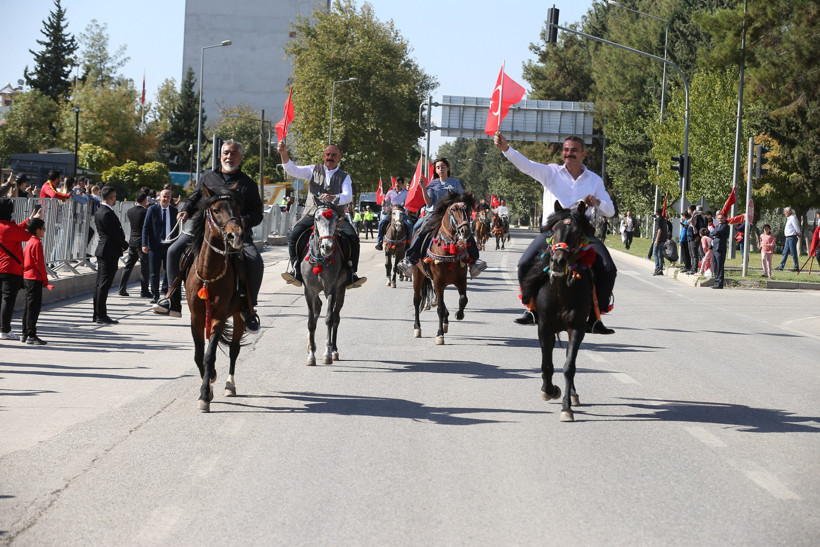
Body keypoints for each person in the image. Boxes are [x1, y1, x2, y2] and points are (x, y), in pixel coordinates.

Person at [154, 140, 263, 333]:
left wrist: (243, 222)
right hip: (205, 232)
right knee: (173, 251)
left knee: (255, 261)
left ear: (240, 157)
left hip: (235, 234)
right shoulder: (207, 178)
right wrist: (186, 211)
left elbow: (258, 213)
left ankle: (249, 309)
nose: (229, 156)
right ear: (221, 156)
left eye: (234, 153)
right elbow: (194, 198)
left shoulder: (248, 184)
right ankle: (172, 299)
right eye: (226, 153)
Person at [277, 140, 367, 290]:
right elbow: (292, 170)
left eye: (334, 155)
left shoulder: (345, 177)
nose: (330, 157)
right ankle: (296, 269)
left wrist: (335, 198)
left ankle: (351, 274)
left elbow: (348, 195)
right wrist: (283, 153)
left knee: (352, 237)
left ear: (340, 158)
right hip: (313, 214)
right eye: (328, 154)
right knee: (294, 235)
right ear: (324, 156)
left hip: (336, 217)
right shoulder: (312, 170)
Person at [397, 157, 487, 279]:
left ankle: (474, 262)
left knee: (466, 231)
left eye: (443, 167)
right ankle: (409, 260)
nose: (440, 169)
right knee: (418, 228)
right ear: (436, 170)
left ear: (448, 168)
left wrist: (462, 203)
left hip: (453, 215)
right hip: (434, 213)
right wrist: (423, 188)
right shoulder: (432, 184)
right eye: (438, 167)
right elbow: (429, 203)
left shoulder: (455, 182)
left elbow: (461, 198)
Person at [0, 198, 41, 340]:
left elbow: (16, 229)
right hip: (10, 269)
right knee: (7, 300)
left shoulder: (5, 227)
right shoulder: (8, 228)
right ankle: (5, 330)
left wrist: (28, 220)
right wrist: (34, 223)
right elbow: (27, 235)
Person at [92, 186, 127, 324]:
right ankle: (101, 314)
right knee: (104, 284)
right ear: (112, 198)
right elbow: (114, 234)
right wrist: (124, 244)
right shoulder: (106, 213)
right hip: (109, 250)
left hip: (105, 249)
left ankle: (97, 313)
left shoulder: (100, 210)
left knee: (100, 283)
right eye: (115, 197)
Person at [142, 188, 177, 305]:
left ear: (170, 198)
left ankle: (166, 290)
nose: (166, 199)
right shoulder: (152, 209)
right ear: (159, 197)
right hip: (155, 246)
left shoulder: (174, 211)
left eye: (168, 197)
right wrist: (144, 244)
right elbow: (146, 227)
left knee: (169, 270)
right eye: (164, 196)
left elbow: (176, 229)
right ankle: (155, 295)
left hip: (169, 246)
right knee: (154, 272)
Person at [118, 190, 151, 298]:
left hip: (132, 241)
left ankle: (122, 288)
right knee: (144, 267)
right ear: (145, 200)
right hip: (142, 242)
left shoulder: (130, 211)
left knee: (128, 266)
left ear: (136, 200)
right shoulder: (145, 212)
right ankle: (144, 290)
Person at [22, 218, 49, 345]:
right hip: (34, 277)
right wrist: (45, 279)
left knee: (28, 306)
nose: (44, 231)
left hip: (27, 276)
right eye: (43, 229)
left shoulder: (29, 242)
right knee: (34, 307)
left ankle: (25, 333)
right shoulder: (37, 243)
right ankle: (31, 334)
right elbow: (40, 264)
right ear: (37, 230)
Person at [375, 177, 412, 251]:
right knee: (381, 223)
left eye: (399, 183)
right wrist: (384, 203)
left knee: (409, 224)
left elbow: (407, 205)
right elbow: (386, 203)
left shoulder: (406, 193)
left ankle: (408, 242)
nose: (397, 184)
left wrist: (401, 210)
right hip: (391, 213)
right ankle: (379, 241)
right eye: (396, 183)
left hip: (401, 213)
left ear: (402, 184)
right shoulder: (390, 192)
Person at [775, 206, 800, 272]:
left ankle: (796, 267)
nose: (784, 213)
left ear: (789, 212)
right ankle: (781, 266)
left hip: (792, 237)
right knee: (785, 252)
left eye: (785, 211)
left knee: (793, 252)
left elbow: (796, 226)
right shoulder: (789, 218)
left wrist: (798, 233)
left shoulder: (792, 218)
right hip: (788, 238)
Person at [710, 212, 730, 289]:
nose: (720, 220)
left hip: (720, 248)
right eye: (718, 218)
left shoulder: (725, 226)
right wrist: (715, 234)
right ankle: (716, 281)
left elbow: (718, 233)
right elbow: (711, 234)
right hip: (715, 248)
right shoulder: (717, 226)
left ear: (724, 218)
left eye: (721, 218)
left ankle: (720, 283)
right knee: (715, 265)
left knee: (720, 266)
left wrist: (715, 234)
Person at [652, 208, 669, 276]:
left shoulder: (658, 220)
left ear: (656, 213)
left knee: (655, 253)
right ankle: (660, 269)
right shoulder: (663, 219)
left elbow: (659, 230)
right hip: (663, 239)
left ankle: (657, 269)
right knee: (660, 254)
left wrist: (656, 240)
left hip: (658, 239)